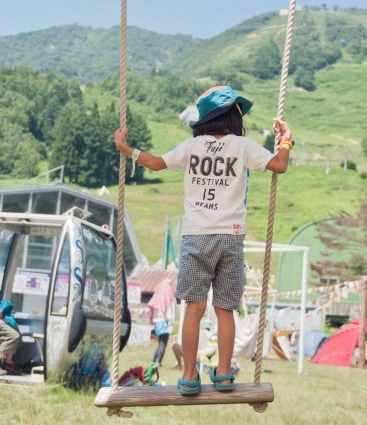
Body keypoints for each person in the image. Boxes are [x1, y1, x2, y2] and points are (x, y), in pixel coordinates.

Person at [114, 85, 292, 395]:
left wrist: (126, 149)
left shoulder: (190, 147)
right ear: (232, 118)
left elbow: (155, 163)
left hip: (196, 237)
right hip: (231, 238)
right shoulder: (244, 146)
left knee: (194, 308)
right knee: (225, 309)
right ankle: (223, 373)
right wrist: (286, 139)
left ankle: (189, 372)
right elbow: (280, 164)